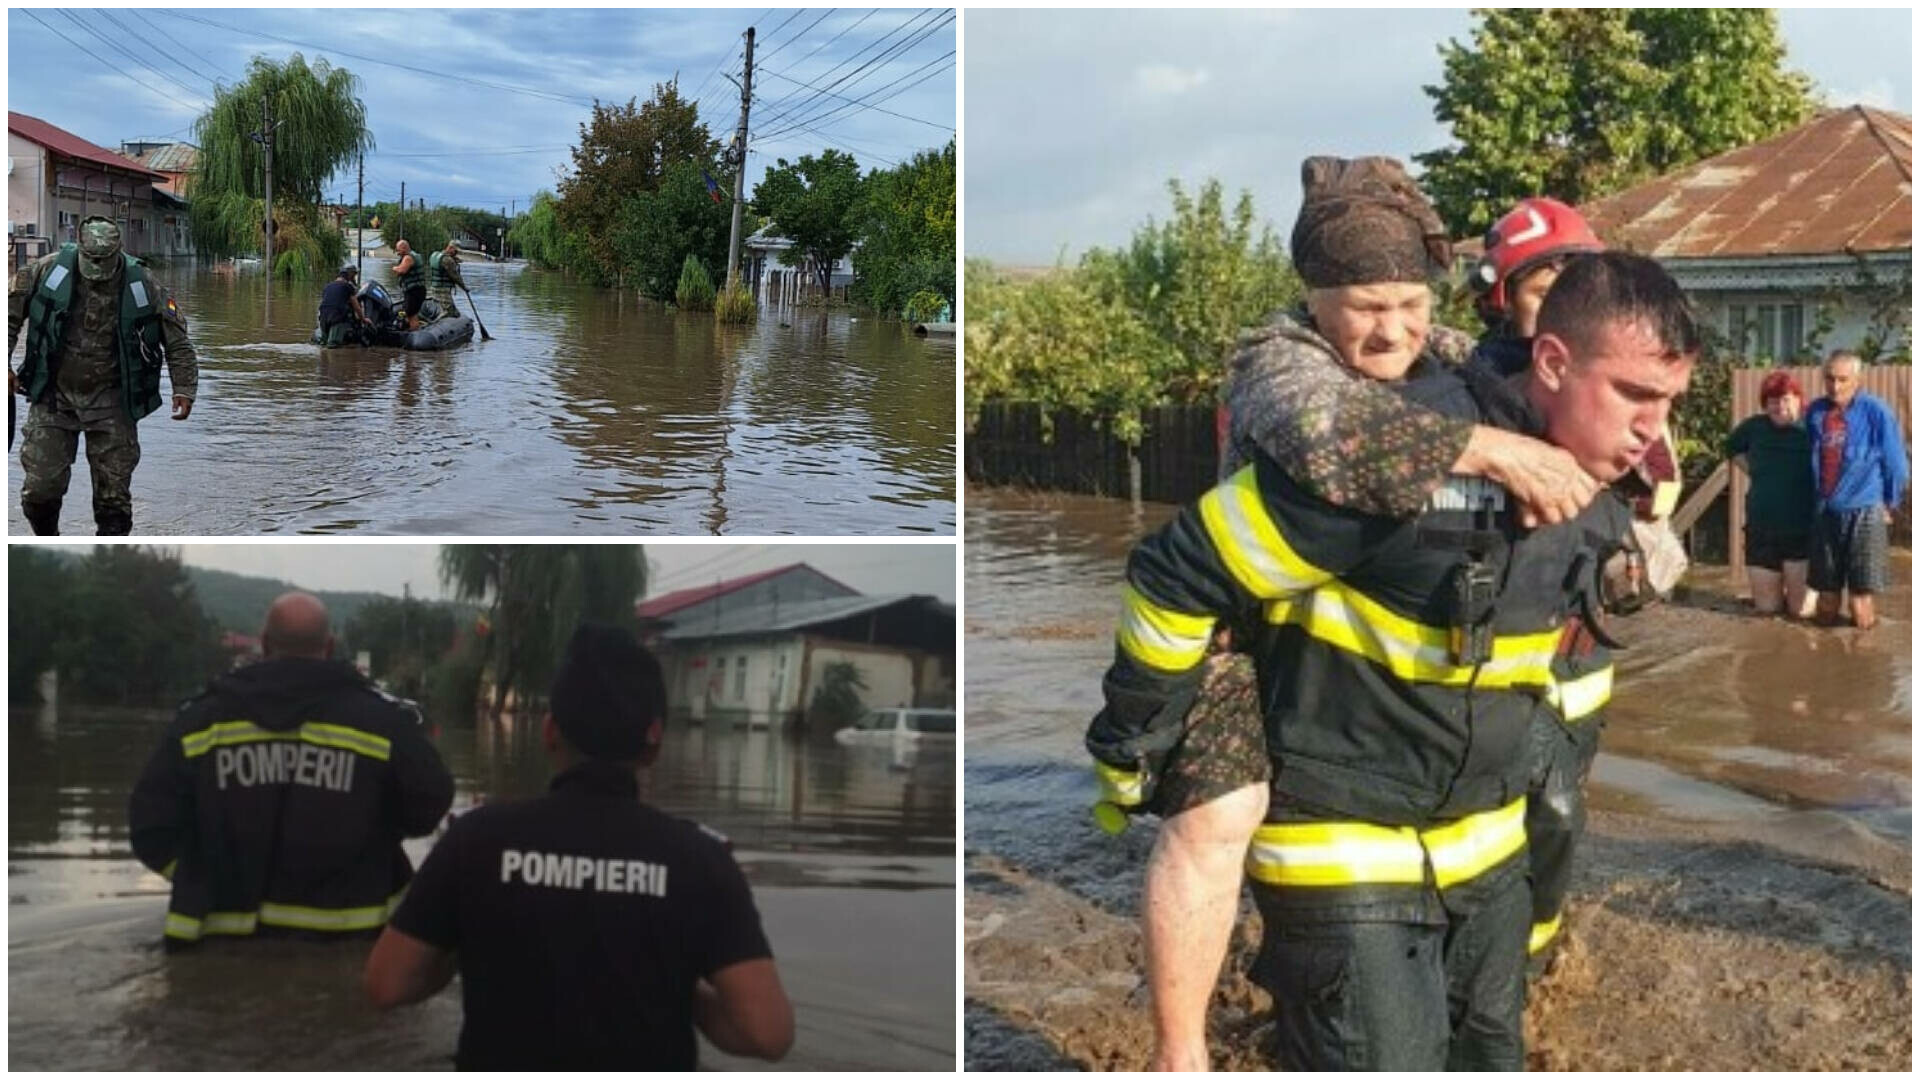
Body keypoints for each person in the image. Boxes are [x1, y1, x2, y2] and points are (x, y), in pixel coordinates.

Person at [1092, 250, 1699, 1070]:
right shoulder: (1398, 462)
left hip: (1485, 853)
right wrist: (1137, 742)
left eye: (1668, 403)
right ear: (1553, 362)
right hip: (1344, 850)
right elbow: (1176, 572)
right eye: (1635, 395)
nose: (1653, 432)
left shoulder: (1599, 482)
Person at [364, 625, 793, 1070]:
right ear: (655, 739)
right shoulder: (701, 859)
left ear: (550, 731)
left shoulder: (475, 840)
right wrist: (681, 986)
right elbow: (767, 1033)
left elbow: (386, 985)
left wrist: (467, 949)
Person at [128, 592, 454, 947]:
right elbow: (430, 805)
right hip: (347, 940)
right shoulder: (384, 722)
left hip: (220, 943)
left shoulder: (201, 720)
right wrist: (371, 833)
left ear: (264, 643)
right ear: (329, 646)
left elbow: (149, 826)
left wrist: (197, 879)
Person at [7, 216, 197, 535]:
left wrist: (185, 388)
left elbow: (177, 340)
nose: (97, 267)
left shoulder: (143, 282)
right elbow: (8, 317)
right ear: (79, 249)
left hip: (113, 402)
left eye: (104, 260)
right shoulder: (46, 271)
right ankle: (49, 546)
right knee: (39, 491)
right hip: (54, 397)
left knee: (114, 503)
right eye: (91, 259)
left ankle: (107, 565)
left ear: (118, 252)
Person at [1806, 349, 1908, 630]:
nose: (1835, 386)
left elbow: (1897, 464)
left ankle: (1864, 665)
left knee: (1860, 602)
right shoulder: (1815, 412)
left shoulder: (1876, 412)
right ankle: (1823, 661)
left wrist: (1890, 502)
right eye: (1829, 379)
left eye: (1842, 379)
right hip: (1826, 512)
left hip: (1865, 512)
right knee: (1825, 599)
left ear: (1857, 380)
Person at [1726, 371, 1817, 617]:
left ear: (1799, 399)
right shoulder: (1754, 427)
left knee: (1801, 613)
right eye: (1772, 401)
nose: (1779, 406)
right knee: (1767, 612)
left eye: (1786, 399)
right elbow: (1731, 448)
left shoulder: (1812, 426)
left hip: (1803, 531)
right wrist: (1755, 471)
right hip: (1762, 530)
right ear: (1765, 404)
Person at [318, 264, 370, 347]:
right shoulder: (347, 287)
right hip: (336, 318)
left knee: (323, 345)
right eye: (354, 275)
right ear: (350, 275)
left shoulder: (327, 286)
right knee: (332, 346)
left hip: (323, 318)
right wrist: (363, 319)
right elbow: (356, 306)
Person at [392, 239, 426, 331]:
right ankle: (408, 327)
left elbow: (402, 270)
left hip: (414, 291)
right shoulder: (415, 255)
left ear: (404, 248)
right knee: (409, 312)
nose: (397, 252)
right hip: (417, 290)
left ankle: (414, 332)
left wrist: (395, 268)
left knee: (411, 314)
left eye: (398, 250)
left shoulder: (408, 258)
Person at [429, 240, 465, 315]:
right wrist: (465, 288)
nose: (456, 253)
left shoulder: (436, 255)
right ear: (450, 248)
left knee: (439, 308)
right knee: (450, 311)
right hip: (443, 291)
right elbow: (455, 277)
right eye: (455, 251)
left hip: (434, 288)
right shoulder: (448, 260)